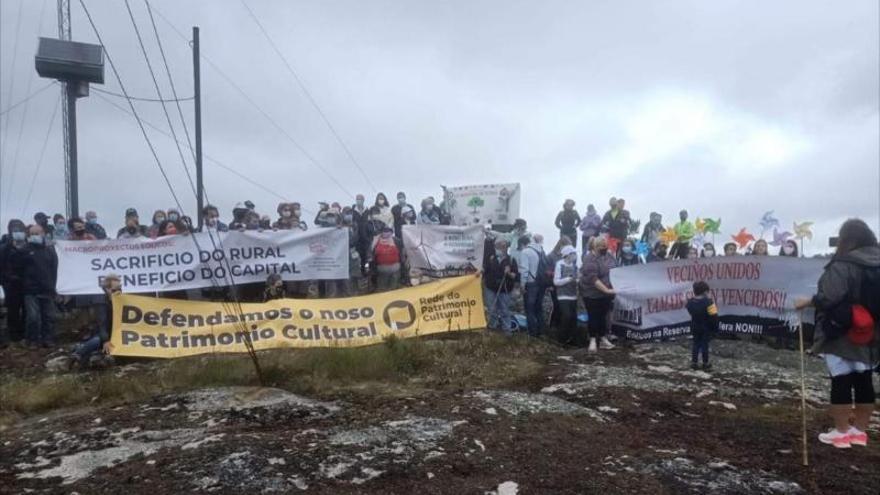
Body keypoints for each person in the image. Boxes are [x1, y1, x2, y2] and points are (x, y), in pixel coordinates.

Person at [795, 219, 879, 449]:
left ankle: (841, 432)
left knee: (840, 378)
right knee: (864, 379)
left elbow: (830, 296)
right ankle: (860, 431)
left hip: (842, 329)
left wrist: (808, 301)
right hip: (871, 331)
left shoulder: (844, 263)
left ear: (847, 239)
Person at [13, 224, 58, 348]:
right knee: (33, 317)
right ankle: (32, 340)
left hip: (47, 289)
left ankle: (47, 339)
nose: (34, 236)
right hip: (30, 290)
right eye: (32, 234)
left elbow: (54, 269)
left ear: (43, 233)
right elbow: (17, 269)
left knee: (49, 316)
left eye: (36, 233)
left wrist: (53, 286)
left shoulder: (50, 250)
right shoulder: (24, 250)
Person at [70, 273, 119, 369]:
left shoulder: (120, 300)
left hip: (116, 333)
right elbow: (102, 323)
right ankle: (78, 353)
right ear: (107, 289)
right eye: (115, 289)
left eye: (120, 288)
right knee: (98, 340)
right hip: (104, 333)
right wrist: (106, 340)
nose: (119, 291)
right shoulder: (101, 302)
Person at [580, 236, 616, 352]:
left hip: (605, 294)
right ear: (595, 247)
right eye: (602, 248)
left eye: (606, 247)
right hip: (591, 293)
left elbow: (615, 268)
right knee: (593, 316)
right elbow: (593, 279)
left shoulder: (607, 256)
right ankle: (592, 340)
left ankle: (603, 338)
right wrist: (606, 290)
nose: (605, 249)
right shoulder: (589, 259)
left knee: (603, 316)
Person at [0, 220, 28, 346]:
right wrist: (7, 279)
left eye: (20, 230)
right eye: (15, 230)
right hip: (10, 284)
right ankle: (14, 336)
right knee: (13, 310)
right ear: (10, 232)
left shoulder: (29, 246)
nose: (18, 233)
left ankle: (24, 333)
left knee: (27, 309)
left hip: (27, 283)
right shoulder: (4, 248)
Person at [484, 238, 519, 335]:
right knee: (491, 308)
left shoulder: (511, 260)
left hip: (505, 289)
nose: (499, 248)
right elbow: (485, 270)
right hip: (490, 287)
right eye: (497, 246)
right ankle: (492, 326)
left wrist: (508, 273)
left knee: (504, 309)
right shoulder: (491, 258)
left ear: (506, 248)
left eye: (501, 246)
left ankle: (507, 330)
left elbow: (515, 276)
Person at [686, 281, 719, 370]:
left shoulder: (690, 302)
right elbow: (714, 316)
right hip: (706, 327)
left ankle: (694, 362)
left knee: (695, 344)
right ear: (705, 292)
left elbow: (689, 310)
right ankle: (705, 363)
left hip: (694, 326)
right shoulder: (709, 302)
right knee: (705, 345)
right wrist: (715, 328)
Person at [519, 235, 546, 337]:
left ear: (522, 244)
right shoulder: (541, 250)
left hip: (531, 284)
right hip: (541, 283)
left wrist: (522, 285)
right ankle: (542, 331)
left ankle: (533, 333)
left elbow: (524, 270)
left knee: (529, 309)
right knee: (538, 307)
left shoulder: (525, 252)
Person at [554, 245, 579, 346]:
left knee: (573, 318)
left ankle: (572, 339)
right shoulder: (559, 264)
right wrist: (569, 279)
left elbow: (576, 279)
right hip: (563, 295)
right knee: (566, 316)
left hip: (573, 295)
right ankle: (561, 339)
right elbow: (556, 282)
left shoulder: (575, 266)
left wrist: (577, 280)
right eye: (573, 254)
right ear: (568, 255)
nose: (575, 255)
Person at [547, 236, 573, 328]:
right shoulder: (551, 256)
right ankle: (552, 326)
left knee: (564, 307)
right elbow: (547, 271)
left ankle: (560, 327)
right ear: (561, 245)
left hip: (565, 286)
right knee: (556, 306)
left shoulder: (567, 256)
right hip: (554, 285)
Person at [372, 227, 403, 292]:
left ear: (391, 233)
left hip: (395, 269)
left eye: (388, 231)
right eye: (384, 231)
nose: (386, 233)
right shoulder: (376, 241)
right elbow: (371, 253)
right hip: (382, 270)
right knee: (382, 289)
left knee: (393, 289)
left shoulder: (396, 240)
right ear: (381, 233)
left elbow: (401, 252)